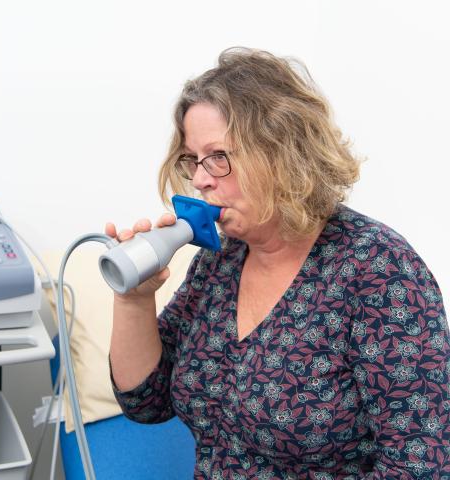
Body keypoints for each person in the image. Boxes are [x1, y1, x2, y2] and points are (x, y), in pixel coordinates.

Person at [105, 47, 449, 479]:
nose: (199, 179)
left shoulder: (378, 271)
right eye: (194, 159)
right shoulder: (219, 262)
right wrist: (134, 301)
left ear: (282, 152)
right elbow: (147, 402)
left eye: (218, 156)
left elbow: (421, 466)